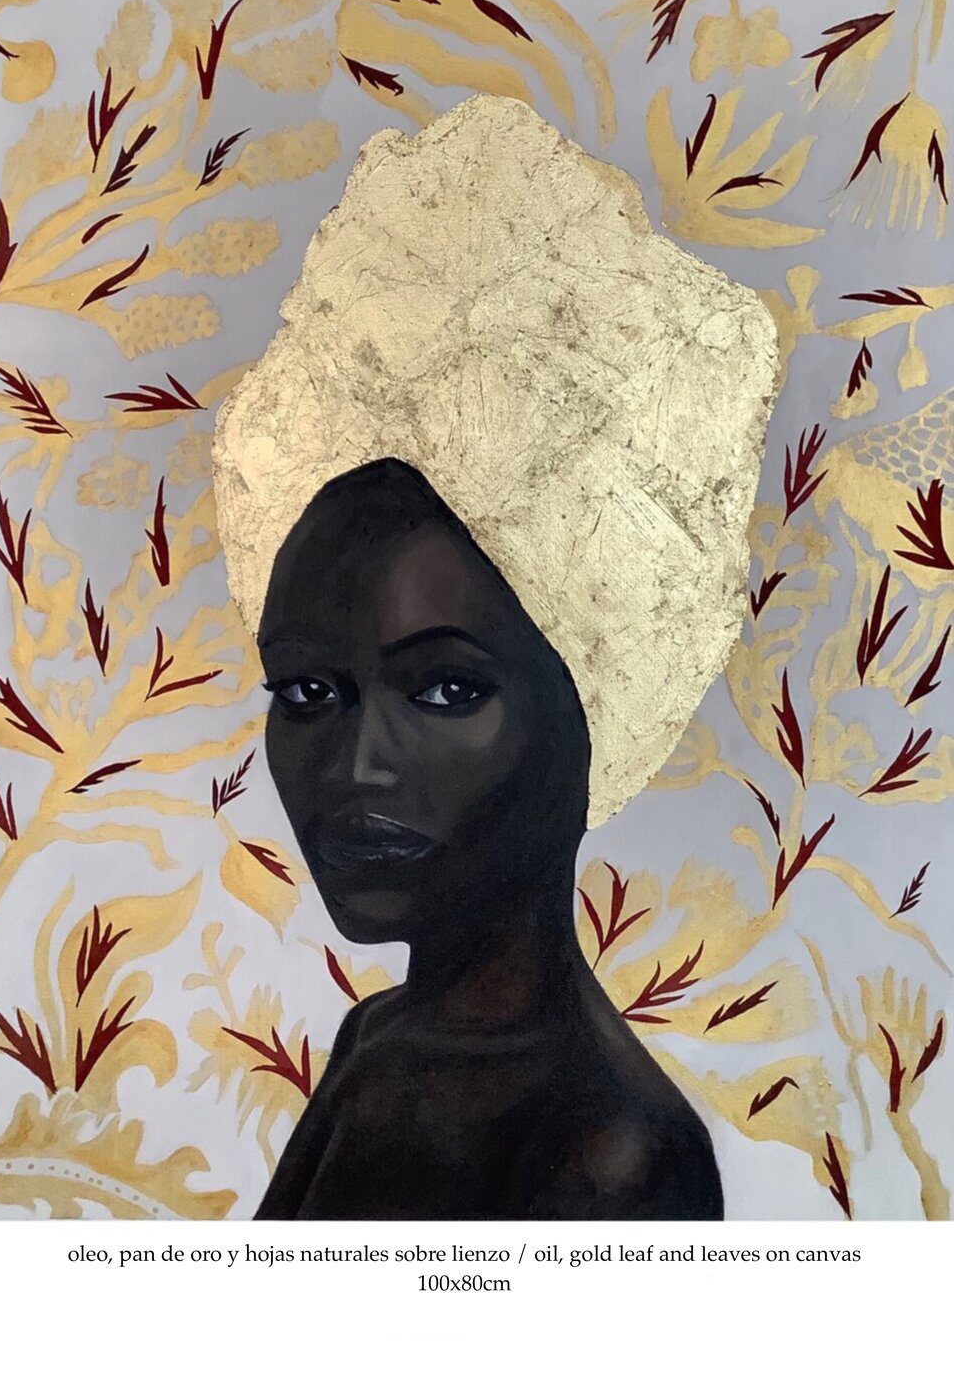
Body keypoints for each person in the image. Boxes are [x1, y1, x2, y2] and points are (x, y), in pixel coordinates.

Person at [253, 458, 722, 1219]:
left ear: (587, 714)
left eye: (447, 690)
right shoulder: (374, 1036)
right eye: (307, 691)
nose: (357, 766)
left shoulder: (614, 1149)